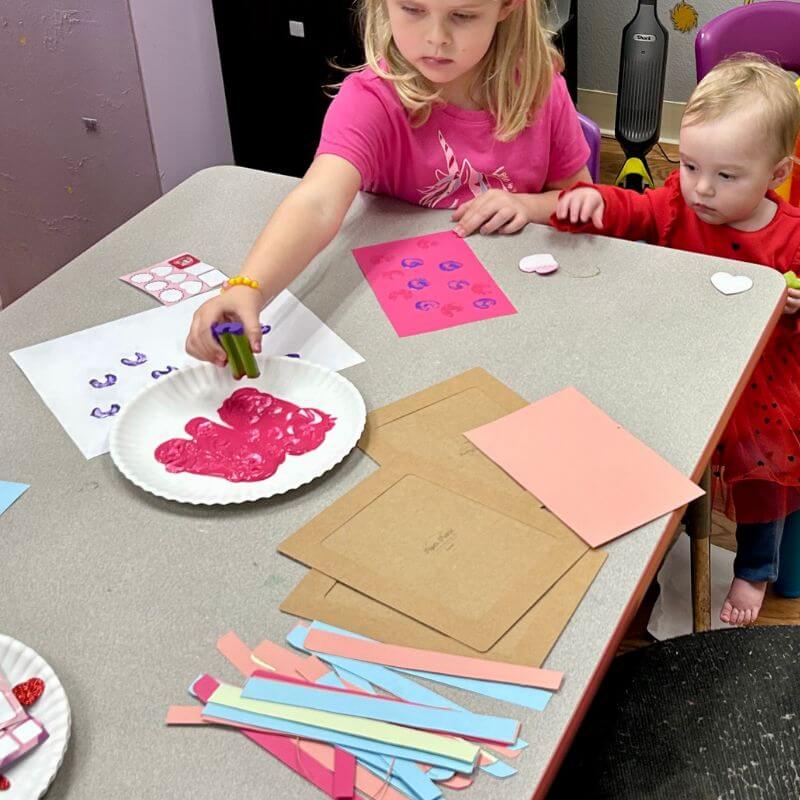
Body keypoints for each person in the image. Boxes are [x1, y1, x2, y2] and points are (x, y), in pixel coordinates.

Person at [186, 0, 590, 365]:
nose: (436, 38)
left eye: (463, 16)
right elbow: (318, 202)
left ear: (506, 7)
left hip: (523, 320)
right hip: (401, 321)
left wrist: (530, 206)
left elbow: (585, 203)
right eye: (413, 10)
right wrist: (247, 288)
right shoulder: (371, 99)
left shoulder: (540, 90)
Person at [553, 54, 800, 625]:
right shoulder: (674, 204)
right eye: (690, 166)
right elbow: (632, 211)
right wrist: (594, 201)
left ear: (777, 172)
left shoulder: (790, 237)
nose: (701, 189)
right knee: (652, 459)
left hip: (759, 389)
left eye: (726, 175)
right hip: (679, 366)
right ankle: (645, 565)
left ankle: (753, 569)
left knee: (761, 480)